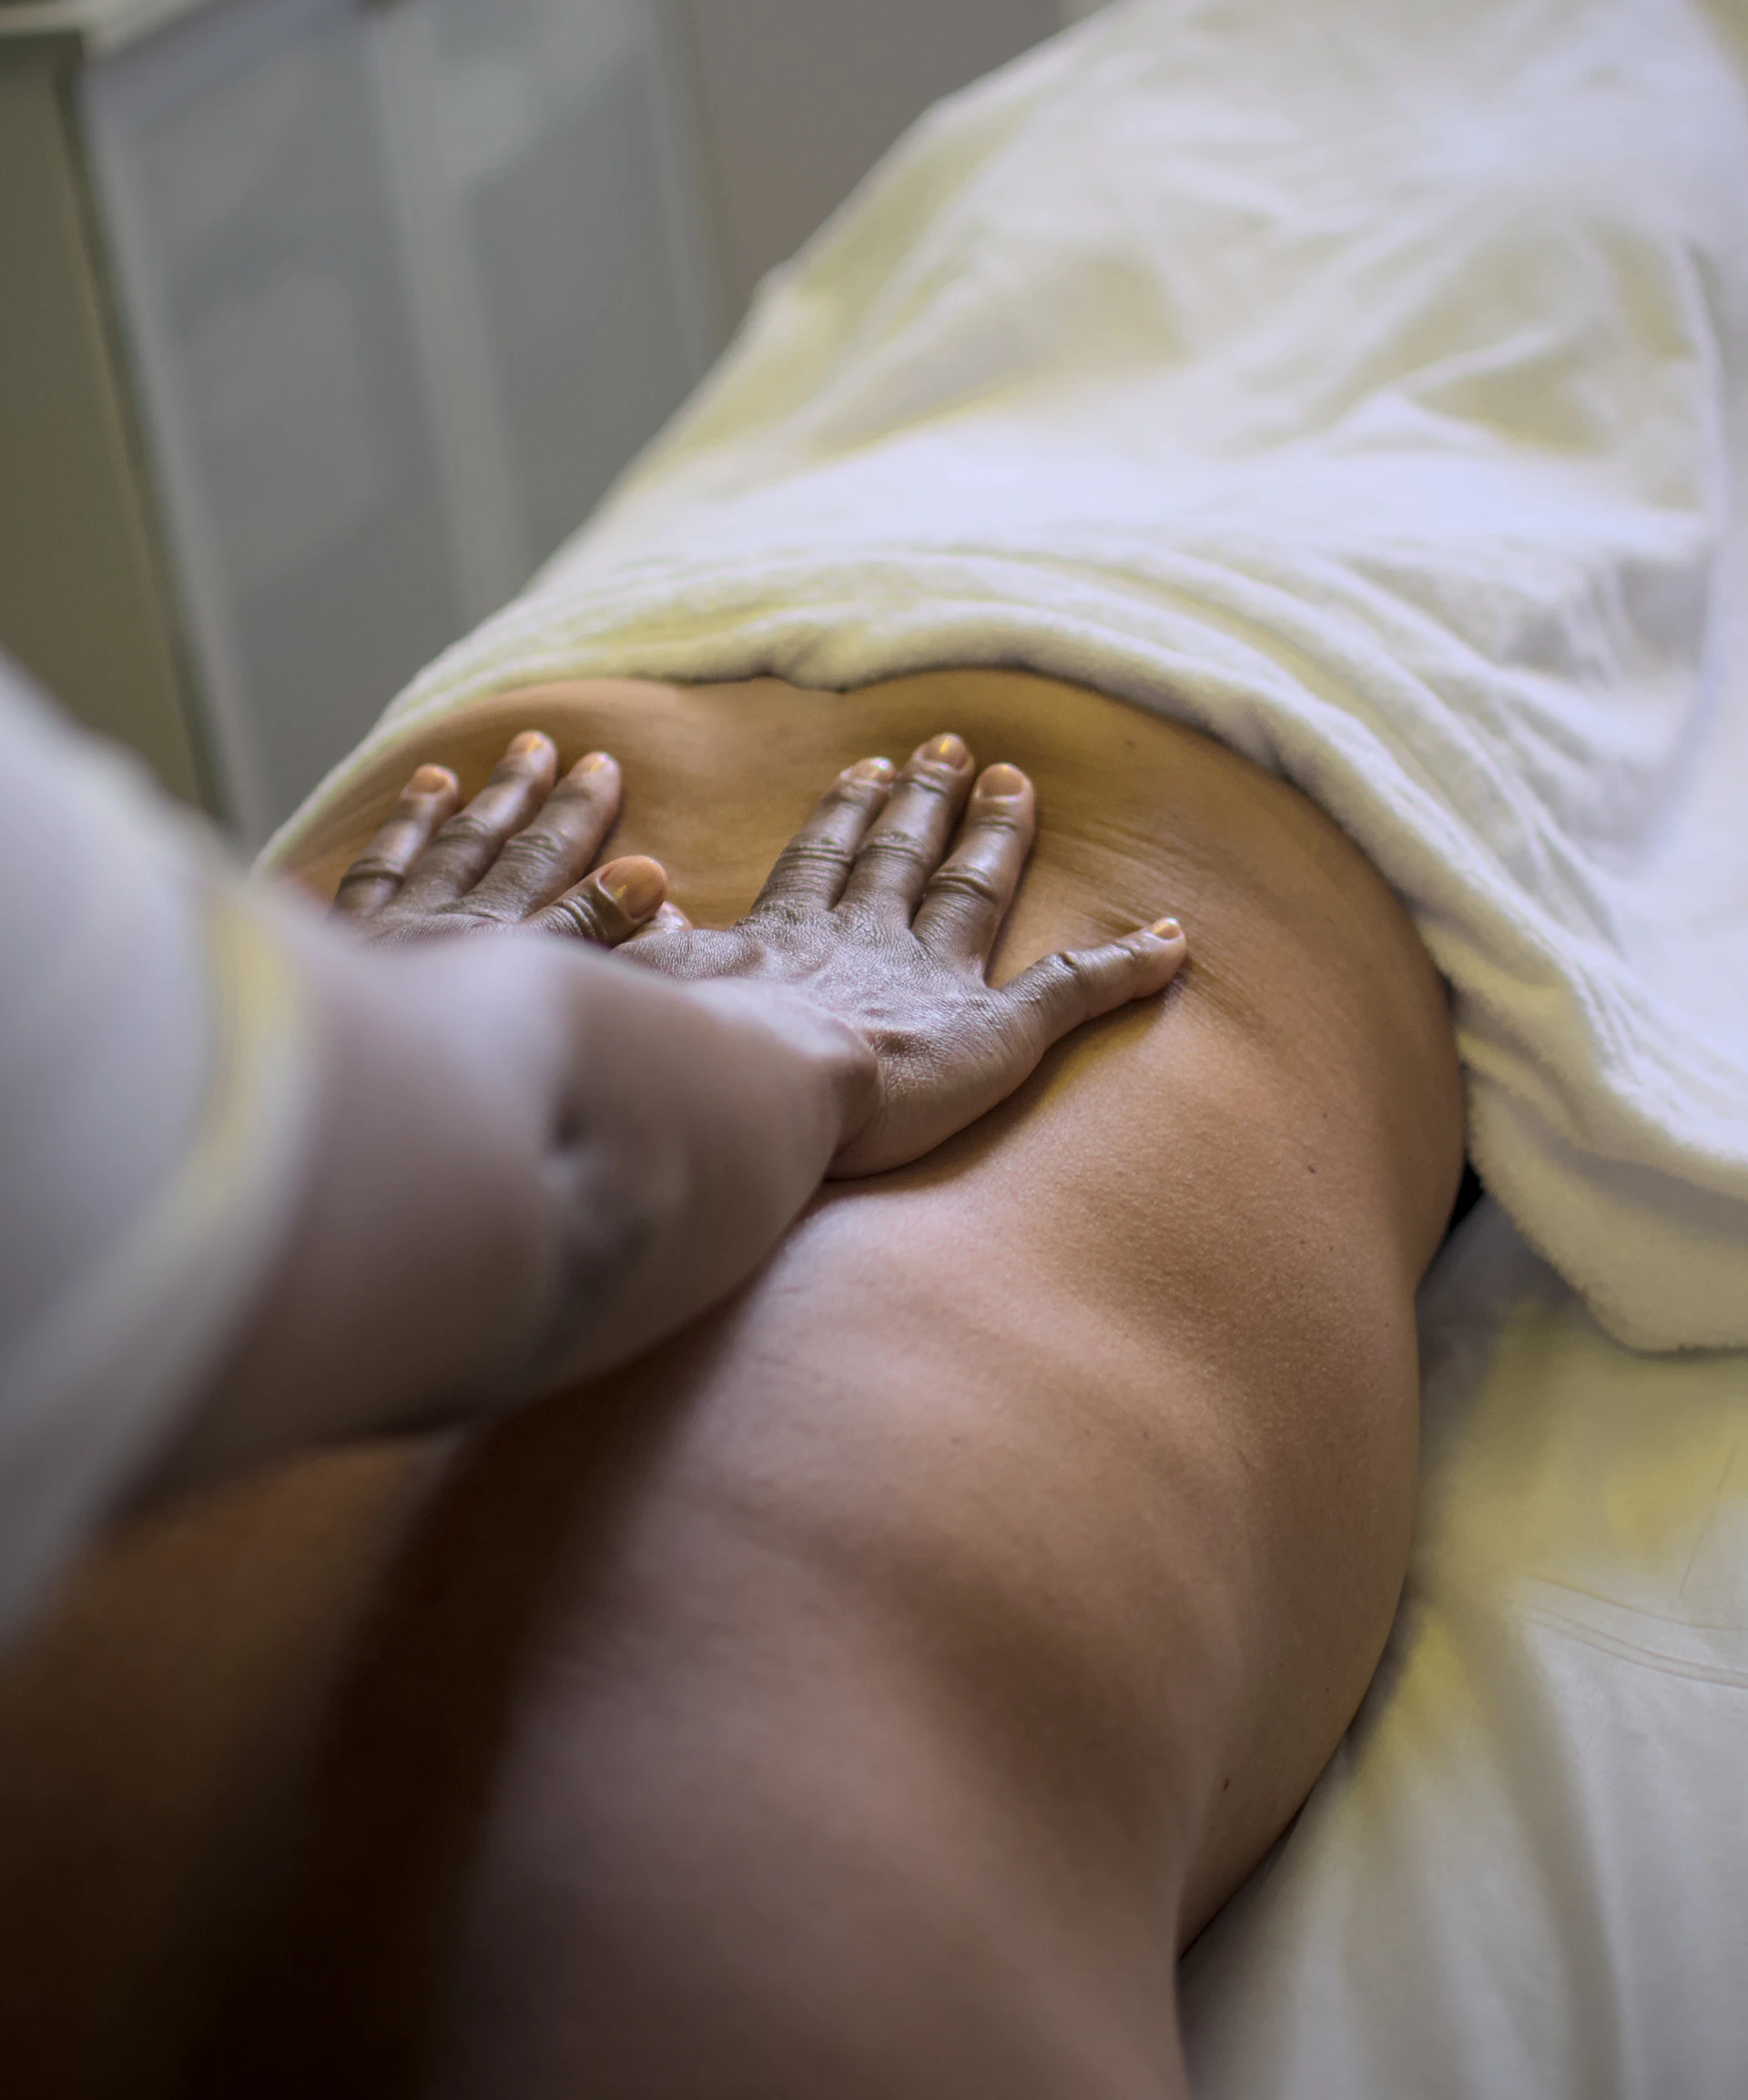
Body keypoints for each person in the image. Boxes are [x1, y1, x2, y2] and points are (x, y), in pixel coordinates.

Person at [4, 0, 1743, 2094]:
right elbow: (539, 1159)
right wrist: (771, 1038)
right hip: (1248, 665)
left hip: (718, 648)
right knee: (1536, 173)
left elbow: (430, 1156)